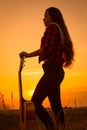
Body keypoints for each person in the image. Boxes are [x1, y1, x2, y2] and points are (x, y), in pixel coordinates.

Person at [19, 7, 74, 130]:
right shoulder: (59, 29)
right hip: (56, 71)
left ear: (53, 17)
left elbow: (45, 48)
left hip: (52, 71)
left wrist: (27, 54)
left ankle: (51, 127)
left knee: (35, 103)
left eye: (46, 16)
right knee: (56, 105)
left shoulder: (52, 27)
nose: (43, 19)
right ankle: (61, 127)